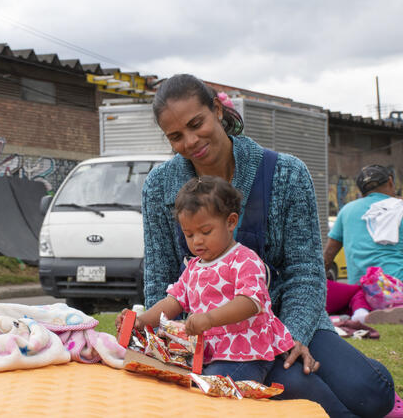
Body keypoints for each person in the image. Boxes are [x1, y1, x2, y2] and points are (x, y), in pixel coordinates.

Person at [141, 74, 395, 417]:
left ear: (217, 109)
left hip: (286, 321)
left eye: (196, 123)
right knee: (300, 390)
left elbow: (305, 273)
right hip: (213, 338)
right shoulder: (158, 188)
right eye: (175, 136)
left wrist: (291, 337)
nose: (190, 141)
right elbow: (160, 280)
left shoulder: (287, 174)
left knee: (370, 393)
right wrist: (174, 343)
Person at [116, 176, 294, 382]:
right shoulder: (193, 267)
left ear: (231, 222)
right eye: (189, 235)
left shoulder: (244, 259)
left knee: (212, 389)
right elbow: (173, 302)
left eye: (206, 231)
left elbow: (250, 302)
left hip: (245, 351)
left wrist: (209, 319)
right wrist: (140, 321)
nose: (197, 240)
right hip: (206, 353)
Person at [324, 165, 403, 324]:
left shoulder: (346, 211)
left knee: (350, 295)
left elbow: (327, 258)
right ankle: (392, 306)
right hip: (397, 286)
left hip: (361, 292)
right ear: (390, 182)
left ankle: (361, 311)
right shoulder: (399, 207)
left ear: (362, 190)